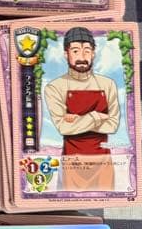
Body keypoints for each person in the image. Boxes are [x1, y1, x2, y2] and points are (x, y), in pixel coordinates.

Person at [43, 27, 120, 191]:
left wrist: (77, 121)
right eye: (76, 51)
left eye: (87, 51)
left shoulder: (108, 84)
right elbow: (64, 128)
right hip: (72, 163)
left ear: (93, 53)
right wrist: (96, 116)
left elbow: (113, 125)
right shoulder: (55, 87)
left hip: (103, 162)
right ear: (66, 54)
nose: (82, 57)